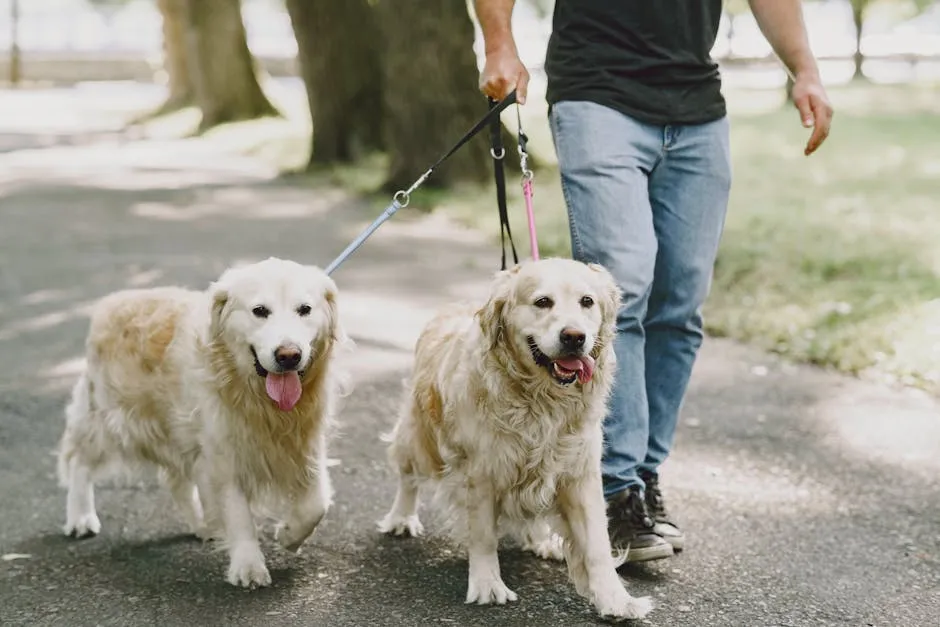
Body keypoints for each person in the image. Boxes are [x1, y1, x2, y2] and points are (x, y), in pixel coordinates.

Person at [474, 0, 833, 563]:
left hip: (696, 106)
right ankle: (613, 490)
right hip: (597, 95)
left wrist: (805, 67)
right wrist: (499, 42)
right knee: (626, 294)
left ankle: (642, 474)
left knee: (681, 304)